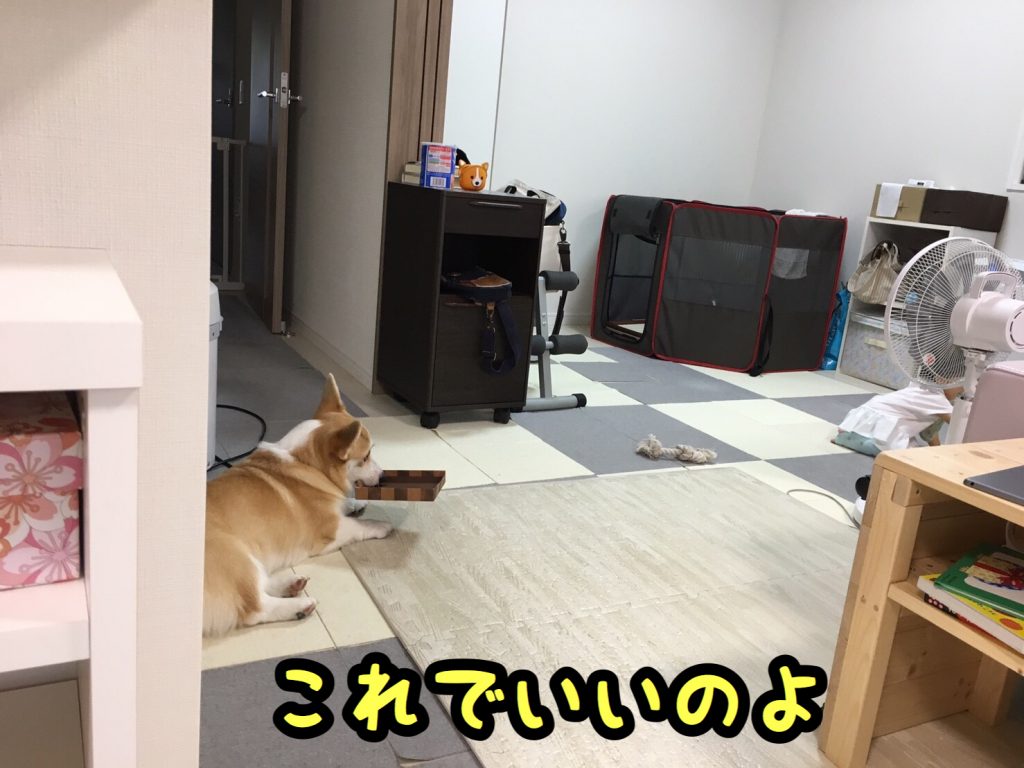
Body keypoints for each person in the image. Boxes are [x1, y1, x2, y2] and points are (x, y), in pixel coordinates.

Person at [833, 383, 962, 457]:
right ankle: (867, 444)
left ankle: (847, 438)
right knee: (918, 456)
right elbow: (959, 424)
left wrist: (936, 449)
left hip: (855, 424)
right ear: (944, 380)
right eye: (961, 387)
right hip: (880, 437)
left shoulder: (916, 385)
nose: (961, 392)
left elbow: (930, 432)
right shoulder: (938, 400)